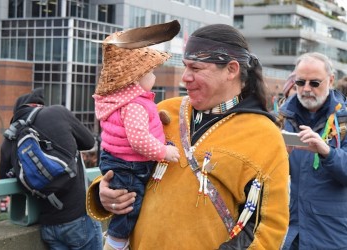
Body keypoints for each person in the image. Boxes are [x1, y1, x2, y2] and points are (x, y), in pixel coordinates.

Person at [86, 24, 289, 249]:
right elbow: (122, 158)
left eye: (195, 68)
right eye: (184, 67)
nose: (185, 78)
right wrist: (104, 193)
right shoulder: (163, 111)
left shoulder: (264, 135)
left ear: (231, 70)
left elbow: (267, 228)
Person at [93, 22, 180, 250]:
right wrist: (164, 151)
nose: (153, 76)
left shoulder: (125, 102)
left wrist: (158, 117)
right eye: (150, 72)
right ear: (136, 78)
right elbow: (139, 139)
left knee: (127, 199)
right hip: (130, 166)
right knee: (131, 204)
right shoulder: (135, 106)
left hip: (117, 160)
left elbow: (137, 126)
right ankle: (116, 241)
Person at [0, 88, 103, 250]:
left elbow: (4, 181)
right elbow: (89, 142)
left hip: (48, 226)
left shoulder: (11, 137)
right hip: (79, 217)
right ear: (39, 105)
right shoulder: (57, 113)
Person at [279, 52, 347, 249]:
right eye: (300, 82)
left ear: (331, 80)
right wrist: (281, 156)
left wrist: (327, 152)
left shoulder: (344, 121)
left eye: (314, 83)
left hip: (331, 236)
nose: (306, 89)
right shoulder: (280, 119)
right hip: (289, 235)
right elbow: (259, 176)